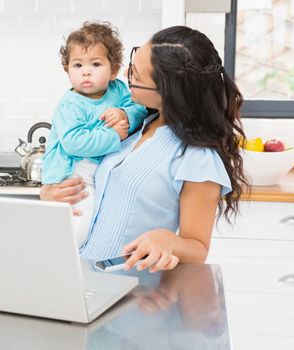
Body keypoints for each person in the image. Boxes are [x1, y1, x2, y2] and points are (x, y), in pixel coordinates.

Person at [41, 25, 247, 273]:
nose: (126, 74)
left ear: (168, 93)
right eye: (132, 64)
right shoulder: (132, 128)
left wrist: (167, 240)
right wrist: (51, 196)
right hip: (81, 275)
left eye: (136, 77)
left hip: (128, 289)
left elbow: (198, 249)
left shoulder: (197, 156)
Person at [42, 21, 148, 248]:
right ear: (67, 70)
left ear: (114, 70)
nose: (86, 71)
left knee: (90, 225)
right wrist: (113, 136)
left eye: (96, 64)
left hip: (97, 169)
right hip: (74, 174)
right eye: (77, 65)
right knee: (77, 230)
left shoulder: (118, 90)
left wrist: (125, 114)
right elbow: (73, 143)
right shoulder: (70, 105)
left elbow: (139, 108)